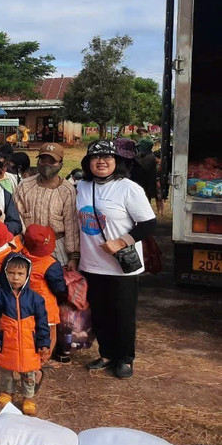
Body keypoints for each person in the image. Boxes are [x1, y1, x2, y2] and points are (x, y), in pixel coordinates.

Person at [77, 140, 156, 380]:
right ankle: (107, 353)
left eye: (107, 157)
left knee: (122, 313)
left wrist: (121, 242)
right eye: (95, 157)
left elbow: (148, 223)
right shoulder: (81, 185)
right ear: (88, 162)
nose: (101, 161)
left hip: (121, 266)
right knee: (100, 312)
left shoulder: (128, 188)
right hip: (92, 263)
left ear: (117, 161)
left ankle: (125, 359)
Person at [0, 253, 51, 416]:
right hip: (6, 341)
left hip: (29, 344)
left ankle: (28, 397)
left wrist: (43, 342)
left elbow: (42, 323)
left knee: (29, 371)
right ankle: (7, 392)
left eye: (20, 274)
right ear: (5, 273)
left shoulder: (35, 299)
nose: (15, 278)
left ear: (27, 275)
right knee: (6, 368)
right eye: (11, 273)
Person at [13, 143, 80, 271]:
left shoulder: (67, 190)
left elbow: (71, 224)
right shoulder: (25, 185)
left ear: (61, 164)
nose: (46, 165)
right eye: (43, 160)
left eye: (52, 161)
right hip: (29, 246)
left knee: (56, 284)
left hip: (57, 246)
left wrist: (73, 256)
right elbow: (18, 215)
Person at [21, 225, 67, 369]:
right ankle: (42, 361)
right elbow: (59, 288)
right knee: (49, 334)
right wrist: (65, 297)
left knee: (29, 334)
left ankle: (29, 359)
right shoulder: (51, 264)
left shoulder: (21, 256)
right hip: (46, 307)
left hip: (25, 305)